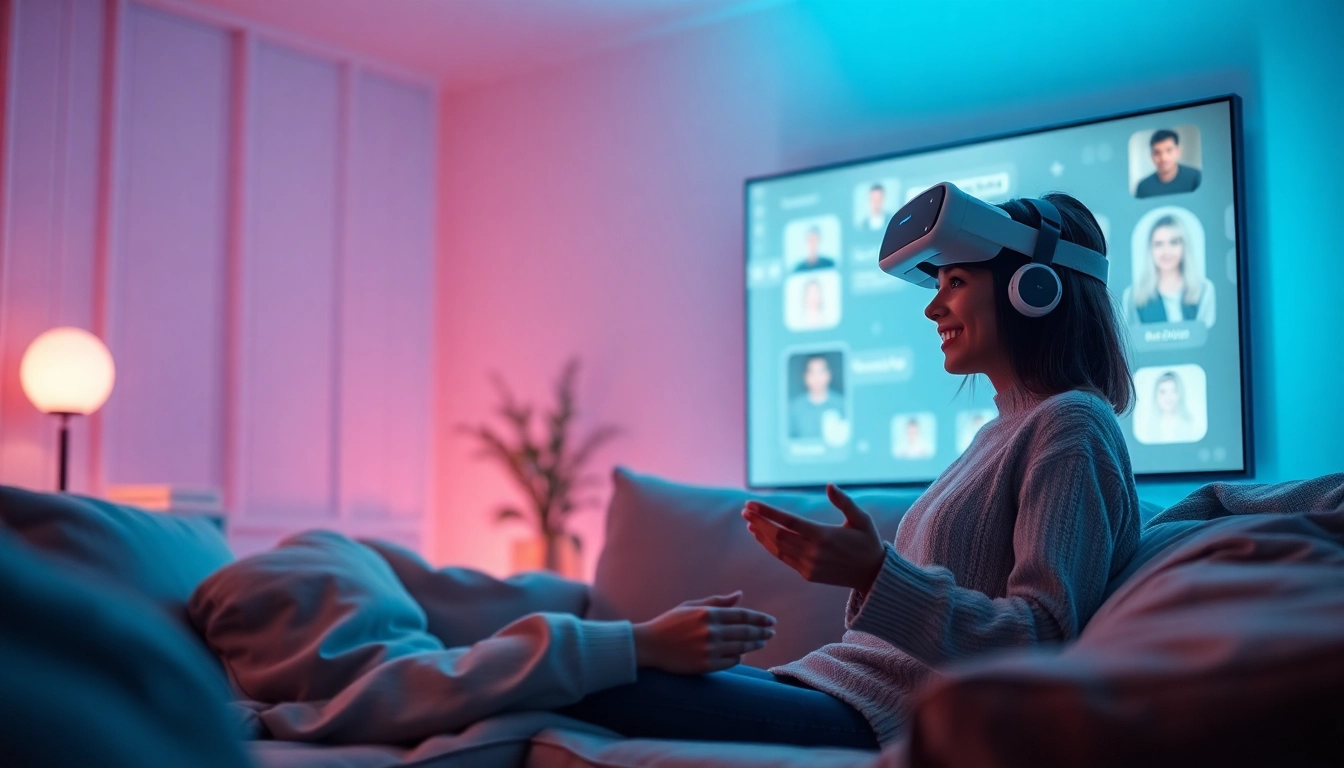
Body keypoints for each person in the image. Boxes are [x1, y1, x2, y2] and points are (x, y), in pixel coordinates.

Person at [556, 191, 1141, 749]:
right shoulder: (1000, 433)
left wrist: (875, 573)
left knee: (580, 677)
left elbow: (1042, 637)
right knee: (588, 659)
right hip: (833, 686)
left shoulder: (1071, 425)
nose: (933, 307)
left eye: (956, 283)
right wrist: (872, 574)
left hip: (877, 716)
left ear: (1033, 289)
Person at [1124, 214, 1216, 328]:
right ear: (1150, 249)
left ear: (1184, 246)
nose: (1166, 251)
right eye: (1158, 244)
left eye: (1173, 242)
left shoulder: (1204, 290)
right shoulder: (1134, 296)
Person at [787, 355, 845, 440]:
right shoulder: (794, 408)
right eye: (812, 373)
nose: (817, 378)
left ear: (829, 375)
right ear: (805, 377)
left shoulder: (842, 404)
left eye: (821, 372)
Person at [1135, 129, 1202, 198]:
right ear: (1152, 156)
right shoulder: (1143, 187)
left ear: (1178, 151)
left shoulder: (1196, 178)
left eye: (1169, 150)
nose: (1163, 158)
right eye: (1157, 153)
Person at [1142, 370, 1198, 443]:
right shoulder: (1148, 426)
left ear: (1180, 394)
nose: (1168, 397)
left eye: (1174, 390)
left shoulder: (1190, 424)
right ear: (1156, 395)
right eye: (1163, 391)